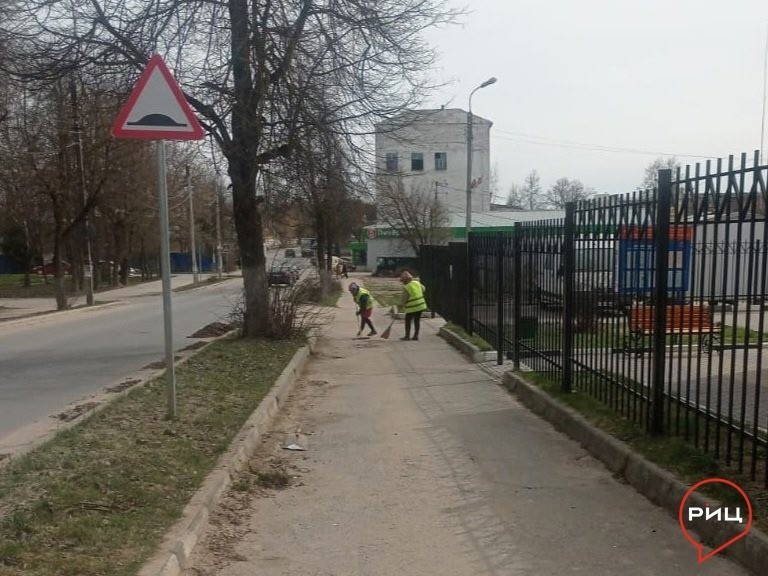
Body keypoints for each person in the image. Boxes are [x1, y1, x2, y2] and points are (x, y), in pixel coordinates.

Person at [399, 270, 427, 341]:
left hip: (412, 307)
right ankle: (416, 336)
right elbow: (424, 289)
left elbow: (404, 299)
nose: (402, 282)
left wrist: (401, 305)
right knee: (417, 321)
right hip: (420, 305)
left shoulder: (407, 287)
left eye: (403, 281)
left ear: (405, 281)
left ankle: (407, 336)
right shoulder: (416, 282)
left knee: (408, 321)